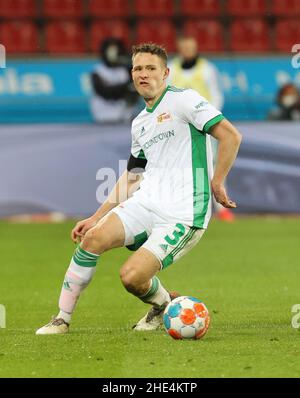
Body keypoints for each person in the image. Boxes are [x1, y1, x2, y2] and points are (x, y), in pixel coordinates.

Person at [36, 43, 242, 335]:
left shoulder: (184, 101)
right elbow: (133, 175)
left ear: (166, 73)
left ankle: (162, 304)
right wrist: (96, 216)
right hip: (146, 203)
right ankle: (62, 319)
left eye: (150, 68)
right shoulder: (140, 123)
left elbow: (231, 136)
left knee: (132, 277)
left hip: (183, 213)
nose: (143, 74)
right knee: (92, 239)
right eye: (138, 68)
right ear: (131, 74)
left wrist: (218, 181)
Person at [169, 36, 234, 222]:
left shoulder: (207, 69)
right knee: (179, 165)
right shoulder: (172, 69)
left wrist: (208, 119)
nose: (188, 50)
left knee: (213, 164)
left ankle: (221, 208)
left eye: (191, 47)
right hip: (181, 127)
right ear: (180, 48)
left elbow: (215, 95)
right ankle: (180, 208)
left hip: (205, 125)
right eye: (185, 47)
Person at [90, 37, 139, 123]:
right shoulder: (98, 71)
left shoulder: (126, 70)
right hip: (104, 115)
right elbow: (104, 92)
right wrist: (125, 88)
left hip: (126, 115)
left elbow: (135, 90)